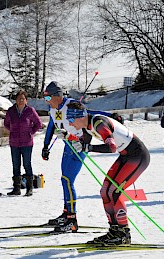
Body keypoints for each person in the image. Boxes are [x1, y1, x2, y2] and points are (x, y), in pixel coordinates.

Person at [56, 101, 150, 244]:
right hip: (126, 155)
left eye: (70, 119)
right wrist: (68, 135)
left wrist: (88, 148)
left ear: (80, 116)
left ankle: (124, 233)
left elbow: (111, 147)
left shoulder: (98, 123)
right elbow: (83, 142)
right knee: (105, 190)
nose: (70, 123)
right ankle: (114, 231)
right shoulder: (87, 126)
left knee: (114, 191)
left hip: (137, 156)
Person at [41, 81, 87, 231]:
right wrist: (46, 146)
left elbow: (88, 123)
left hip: (79, 146)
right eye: (45, 98)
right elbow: (51, 126)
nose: (47, 102)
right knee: (64, 179)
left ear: (58, 96)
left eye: (48, 98)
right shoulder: (53, 108)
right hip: (68, 145)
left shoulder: (73, 106)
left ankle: (72, 220)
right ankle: (66, 213)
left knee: (68, 180)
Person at [4, 90, 42, 197]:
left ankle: (29, 188)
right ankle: (17, 188)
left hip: (27, 142)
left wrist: (30, 132)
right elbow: (6, 123)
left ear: (26, 100)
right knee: (16, 165)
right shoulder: (11, 111)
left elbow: (38, 124)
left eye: (23, 99)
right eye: (19, 99)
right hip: (14, 142)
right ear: (15, 100)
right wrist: (12, 130)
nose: (21, 101)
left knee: (27, 164)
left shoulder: (30, 110)